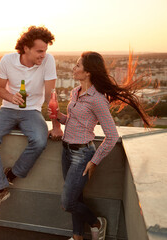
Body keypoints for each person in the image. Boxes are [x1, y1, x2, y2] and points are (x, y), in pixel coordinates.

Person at [52, 51, 152, 240]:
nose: (73, 68)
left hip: (82, 154)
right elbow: (73, 122)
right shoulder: (75, 92)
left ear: (88, 72)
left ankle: (96, 222)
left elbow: (112, 136)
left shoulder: (98, 99)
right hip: (66, 151)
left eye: (77, 65)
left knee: (68, 202)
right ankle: (77, 237)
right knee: (76, 197)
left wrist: (94, 161)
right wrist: (58, 116)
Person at [0, 25, 63, 214]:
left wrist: (56, 126)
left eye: (45, 51)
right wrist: (11, 97)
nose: (43, 55)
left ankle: (11, 174)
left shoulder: (48, 61)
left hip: (32, 111)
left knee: (40, 140)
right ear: (26, 48)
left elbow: (52, 95)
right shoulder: (7, 60)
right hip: (7, 109)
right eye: (39, 51)